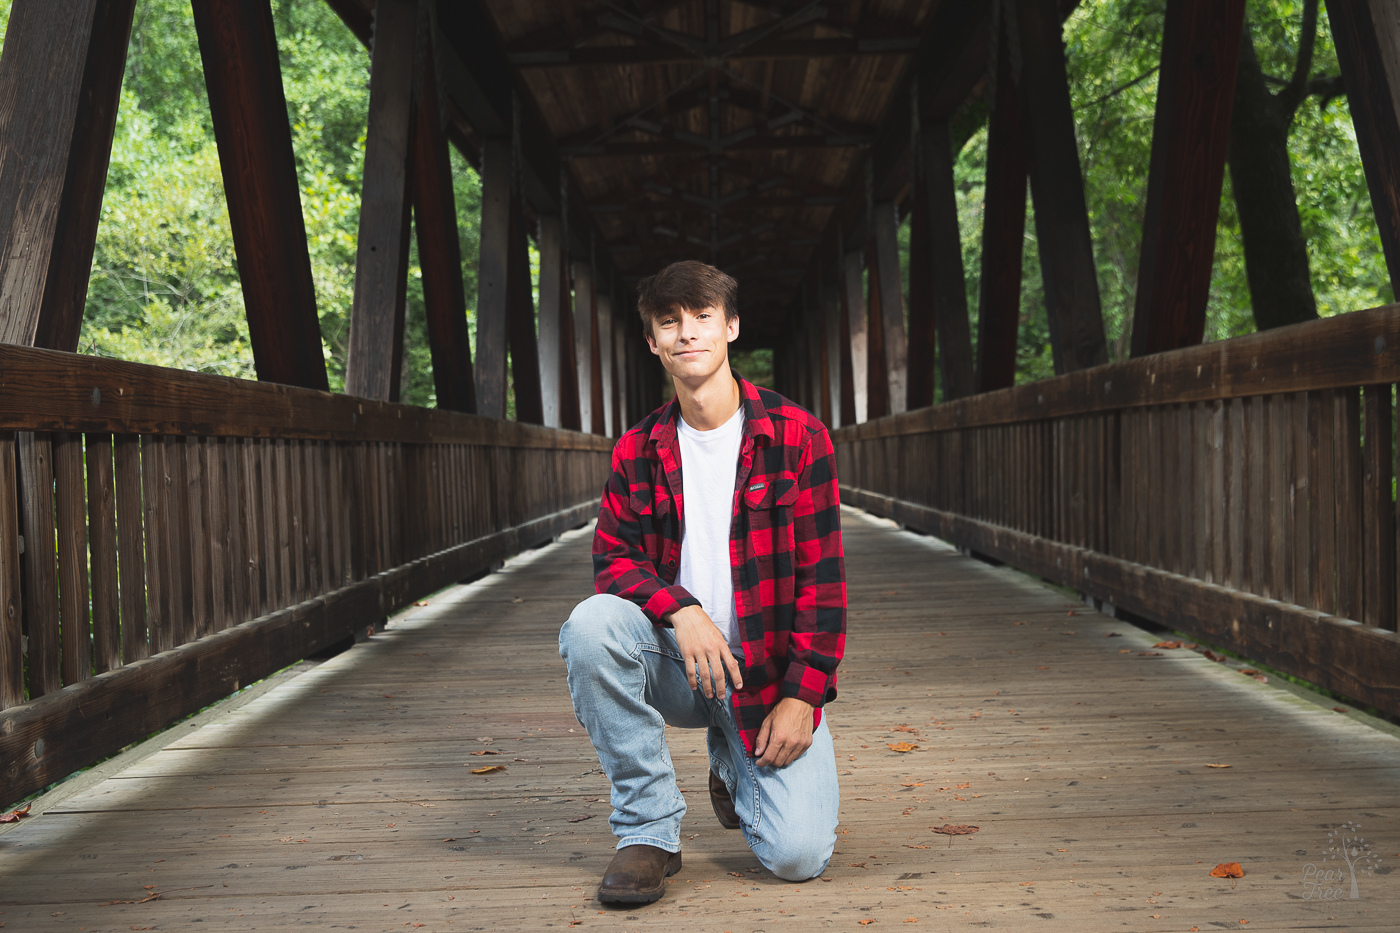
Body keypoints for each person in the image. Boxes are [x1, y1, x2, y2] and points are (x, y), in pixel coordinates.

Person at [558, 260, 846, 905]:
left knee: (797, 856)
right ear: (653, 343)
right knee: (591, 625)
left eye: (702, 317)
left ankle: (730, 759)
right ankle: (649, 832)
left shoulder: (797, 436)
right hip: (678, 661)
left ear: (731, 327)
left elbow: (823, 585)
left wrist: (804, 696)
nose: (687, 333)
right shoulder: (638, 448)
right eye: (670, 322)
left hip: (766, 672)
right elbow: (614, 561)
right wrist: (681, 611)